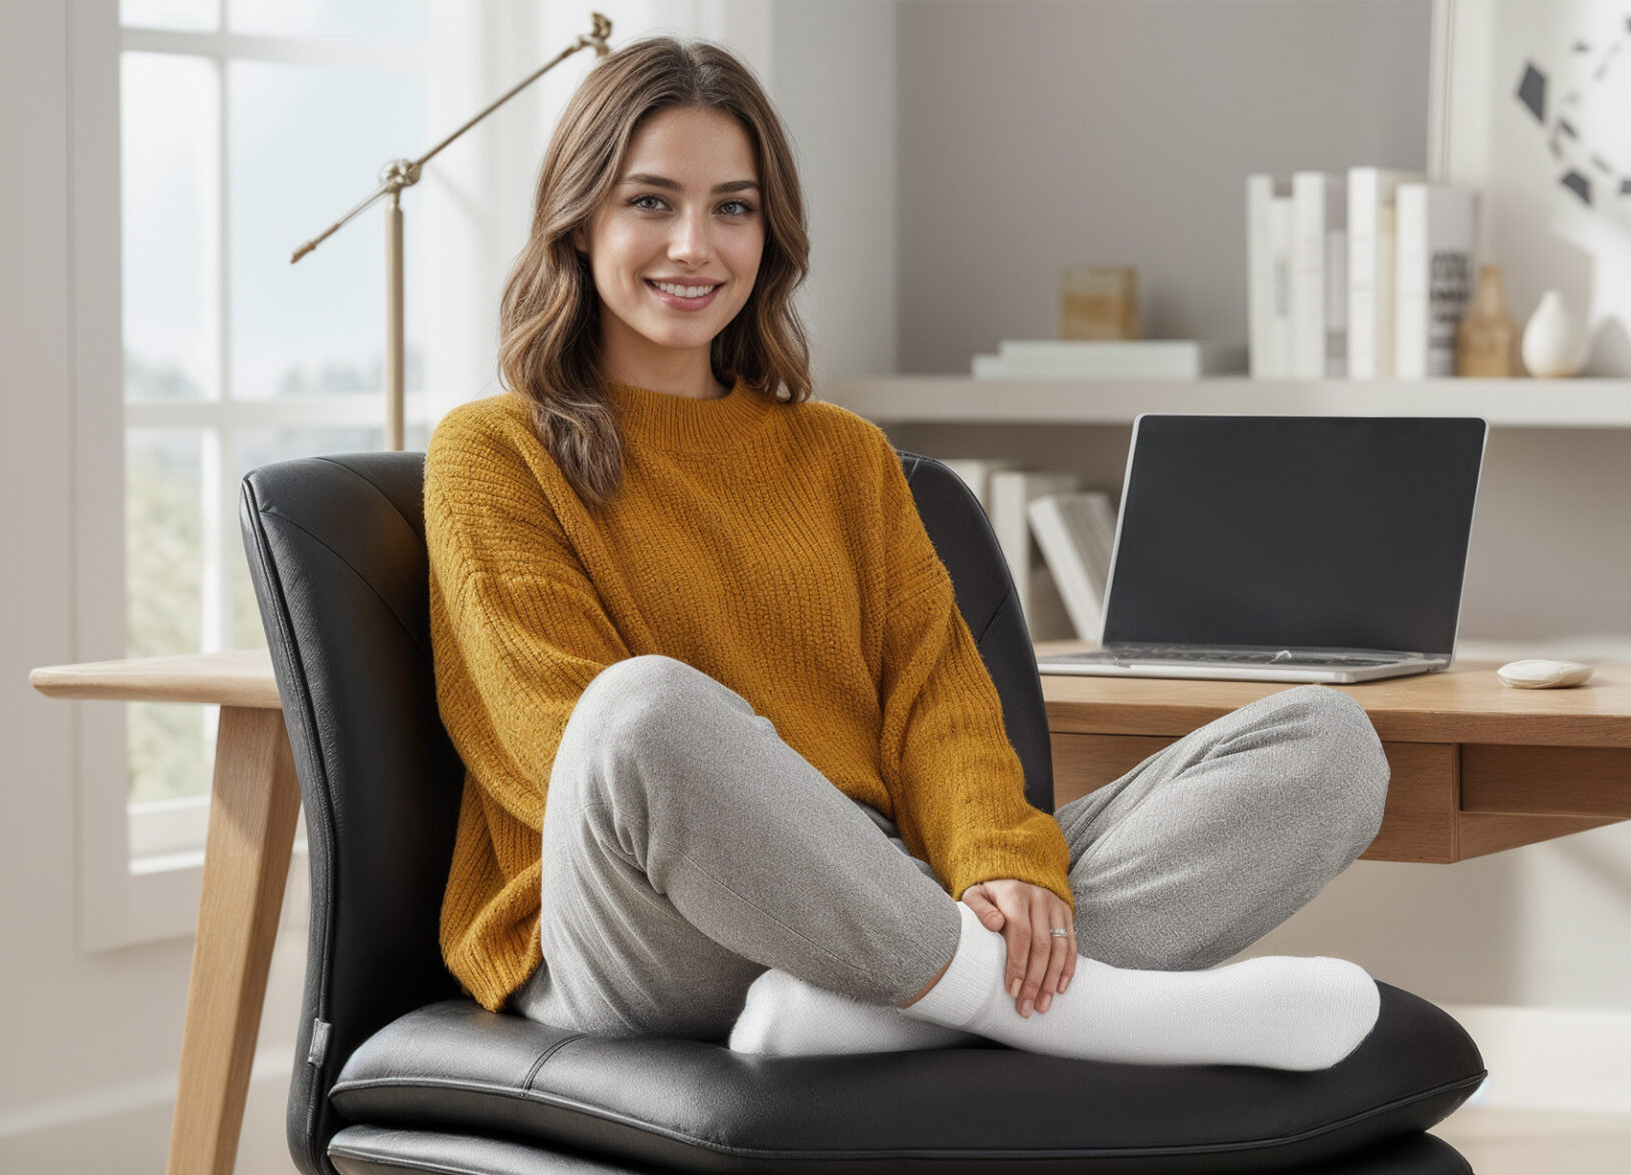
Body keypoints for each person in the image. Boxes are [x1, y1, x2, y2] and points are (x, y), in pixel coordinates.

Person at [425, 38, 1390, 1072]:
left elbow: (938, 697)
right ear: (579, 221)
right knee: (639, 710)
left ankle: (877, 1004)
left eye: (733, 208)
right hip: (654, 924)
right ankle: (1069, 1006)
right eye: (650, 202)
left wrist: (997, 858)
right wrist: (843, 872)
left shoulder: (843, 454)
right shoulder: (493, 451)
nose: (694, 245)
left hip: (891, 892)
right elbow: (563, 750)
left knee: (1326, 747)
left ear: (770, 233)